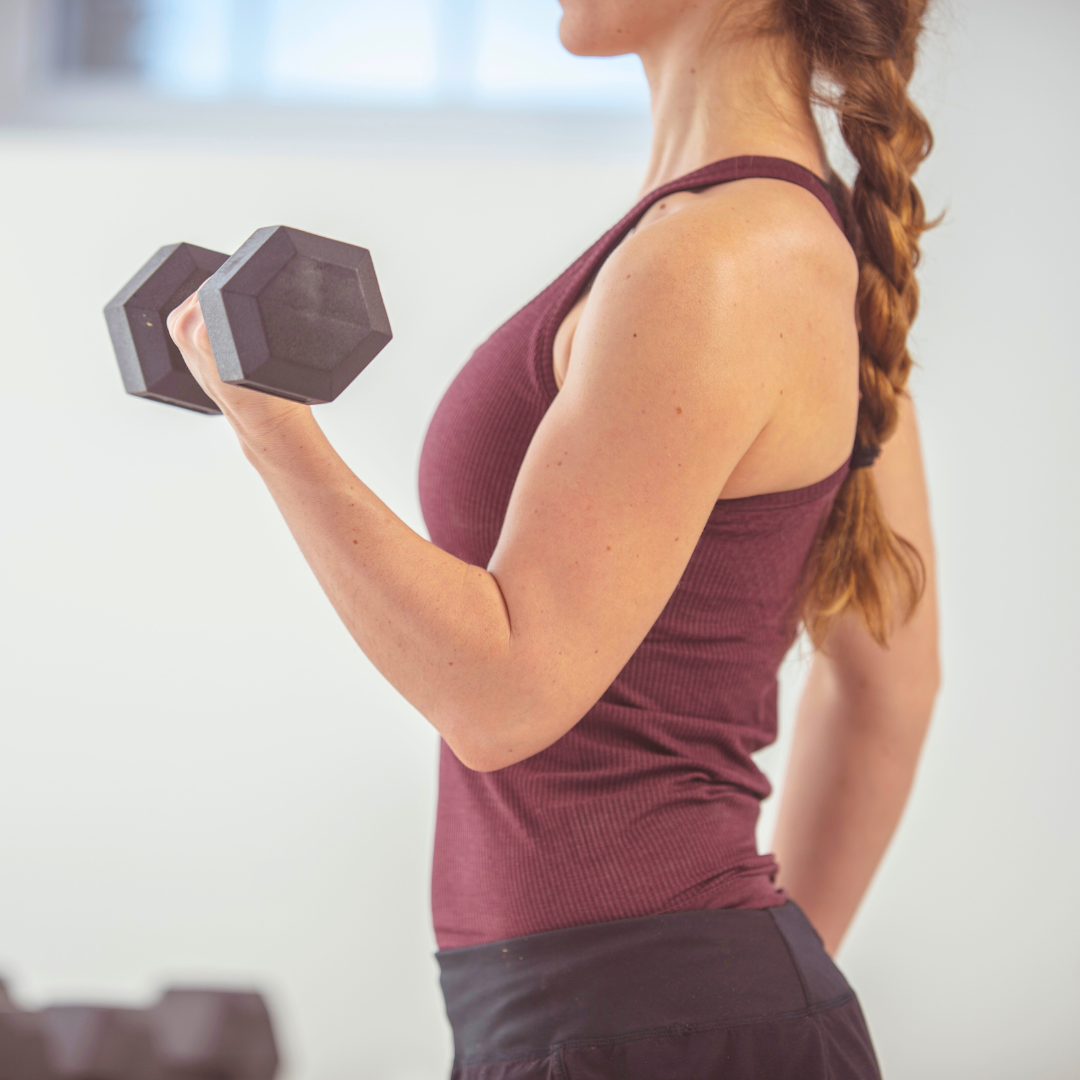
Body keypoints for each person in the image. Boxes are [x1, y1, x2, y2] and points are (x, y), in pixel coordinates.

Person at [168, 0, 940, 1075]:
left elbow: (502, 698)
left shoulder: (716, 258)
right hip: (625, 1018)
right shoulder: (772, 246)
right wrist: (730, 999)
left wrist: (271, 430)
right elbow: (888, 694)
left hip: (627, 1018)